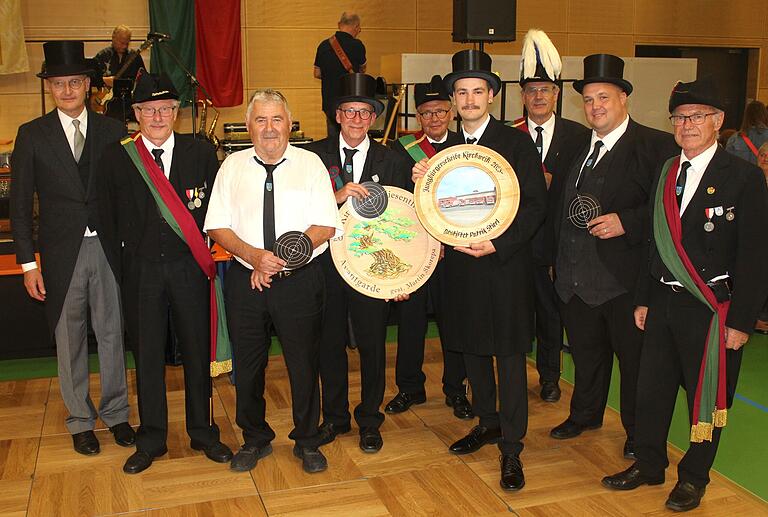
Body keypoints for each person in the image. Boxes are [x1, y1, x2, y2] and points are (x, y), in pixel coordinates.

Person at [602, 77, 768, 513]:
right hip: (663, 301)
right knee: (649, 390)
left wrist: (741, 321)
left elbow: (755, 256)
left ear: (718, 122)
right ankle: (650, 463)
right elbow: (655, 244)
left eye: (696, 117)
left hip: (712, 310)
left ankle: (694, 478)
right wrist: (643, 297)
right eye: (679, 117)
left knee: (706, 397)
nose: (686, 125)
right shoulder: (668, 171)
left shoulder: (744, 178)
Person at [414, 49, 547, 491]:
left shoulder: (516, 143)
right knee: (472, 350)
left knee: (508, 357)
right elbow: (433, 213)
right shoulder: (445, 153)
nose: (469, 99)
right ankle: (487, 422)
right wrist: (423, 185)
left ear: (491, 95)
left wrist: (498, 243)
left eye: (477, 91)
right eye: (461, 92)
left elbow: (534, 207)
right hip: (462, 271)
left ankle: (512, 447)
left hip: (503, 267)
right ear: (452, 100)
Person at [97, 70, 232, 474]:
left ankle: (203, 431)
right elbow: (105, 216)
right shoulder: (118, 156)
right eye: (148, 109)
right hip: (141, 273)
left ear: (177, 111)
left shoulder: (200, 152)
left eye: (166, 109)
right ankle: (152, 437)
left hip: (190, 269)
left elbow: (217, 209)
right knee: (149, 355)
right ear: (136, 113)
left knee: (196, 351)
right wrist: (124, 268)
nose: (157, 117)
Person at [547, 54, 679, 460]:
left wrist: (628, 221)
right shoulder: (573, 146)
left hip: (625, 279)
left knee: (634, 363)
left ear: (624, 98)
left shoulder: (655, 145)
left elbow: (670, 206)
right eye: (588, 100)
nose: (595, 107)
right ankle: (585, 413)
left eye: (603, 97)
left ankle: (638, 434)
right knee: (586, 353)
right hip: (574, 275)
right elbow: (558, 203)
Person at [205, 89, 342, 474]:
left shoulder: (310, 163)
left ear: (289, 124)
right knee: (248, 367)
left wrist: (284, 257)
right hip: (245, 281)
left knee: (303, 363)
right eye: (260, 120)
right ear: (248, 126)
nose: (269, 128)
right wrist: (254, 258)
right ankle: (255, 439)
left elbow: (326, 223)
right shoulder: (231, 166)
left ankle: (307, 439)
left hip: (300, 281)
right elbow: (216, 224)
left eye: (276, 119)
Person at [10, 40, 133, 456]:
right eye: (59, 83)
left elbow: (126, 196)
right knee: (70, 339)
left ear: (89, 86)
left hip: (109, 250)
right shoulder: (31, 136)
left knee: (114, 334)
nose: (67, 90)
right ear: (49, 87)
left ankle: (116, 414)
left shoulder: (113, 131)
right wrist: (29, 264)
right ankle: (80, 420)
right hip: (61, 255)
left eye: (75, 82)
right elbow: (20, 203)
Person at [305, 73, 409, 453]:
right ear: (337, 115)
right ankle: (334, 418)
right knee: (328, 345)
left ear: (374, 118)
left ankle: (370, 419)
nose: (356, 119)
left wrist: (402, 276)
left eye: (365, 113)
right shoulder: (314, 157)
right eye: (349, 111)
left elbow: (405, 222)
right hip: (326, 269)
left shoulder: (393, 161)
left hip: (373, 270)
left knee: (372, 346)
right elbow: (301, 212)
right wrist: (337, 196)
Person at [386, 74, 472, 420]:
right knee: (411, 322)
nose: (434, 118)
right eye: (426, 113)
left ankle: (456, 389)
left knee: (455, 323)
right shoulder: (401, 151)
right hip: (417, 250)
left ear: (451, 111)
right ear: (418, 117)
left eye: (439, 111)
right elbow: (396, 202)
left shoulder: (468, 149)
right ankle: (409, 387)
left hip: (456, 252)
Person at [510, 29, 589, 402]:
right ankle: (510, 376)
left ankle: (550, 377)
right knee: (514, 313)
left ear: (556, 94)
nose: (538, 96)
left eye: (545, 90)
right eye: (531, 90)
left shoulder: (580, 137)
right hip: (514, 244)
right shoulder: (507, 136)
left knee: (551, 314)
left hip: (557, 245)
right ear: (521, 96)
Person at [313, 12, 366, 137]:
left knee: (333, 140)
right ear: (356, 27)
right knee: (351, 136)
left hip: (330, 102)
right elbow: (362, 70)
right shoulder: (358, 46)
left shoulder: (323, 45)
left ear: (339, 25)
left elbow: (317, 73)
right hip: (351, 102)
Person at [93, 25, 147, 123]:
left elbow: (144, 80)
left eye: (127, 43)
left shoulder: (134, 57)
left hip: (129, 102)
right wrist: (105, 80)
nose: (124, 46)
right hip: (107, 103)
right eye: (121, 43)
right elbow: (90, 78)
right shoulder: (103, 55)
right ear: (113, 38)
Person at [725, 100, 768, 166]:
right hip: (762, 175)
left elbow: (727, 163)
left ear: (746, 115)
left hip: (739, 175)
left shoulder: (734, 139)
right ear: (765, 115)